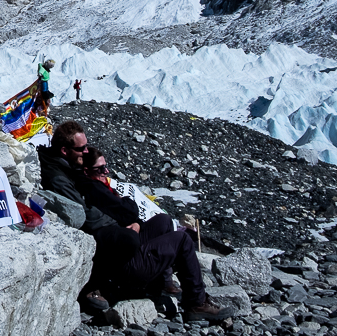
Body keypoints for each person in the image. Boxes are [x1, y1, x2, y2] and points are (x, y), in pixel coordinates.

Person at [39, 121, 234, 322]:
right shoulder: (60, 178)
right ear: (64, 150)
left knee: (164, 221)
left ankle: (157, 285)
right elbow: (85, 217)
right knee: (182, 241)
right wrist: (125, 227)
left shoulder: (68, 169)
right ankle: (196, 303)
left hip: (116, 240)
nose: (86, 151)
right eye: (81, 148)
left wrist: (133, 223)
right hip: (117, 253)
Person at [76, 147, 180, 297]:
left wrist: (138, 223)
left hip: (128, 232)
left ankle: (164, 281)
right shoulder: (94, 188)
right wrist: (125, 200)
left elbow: (127, 214)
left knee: (164, 220)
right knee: (180, 238)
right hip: (123, 245)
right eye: (100, 169)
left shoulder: (102, 186)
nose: (106, 172)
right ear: (87, 171)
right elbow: (128, 211)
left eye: (105, 167)